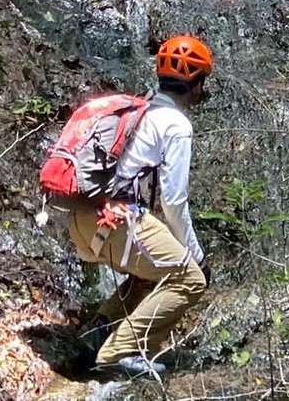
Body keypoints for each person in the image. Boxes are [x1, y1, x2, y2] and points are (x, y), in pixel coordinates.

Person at [67, 34, 212, 381]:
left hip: (81, 216)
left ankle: (97, 333)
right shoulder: (176, 124)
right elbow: (173, 202)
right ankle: (120, 354)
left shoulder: (141, 107)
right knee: (190, 279)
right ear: (197, 84)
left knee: (151, 271)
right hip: (113, 220)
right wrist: (197, 256)